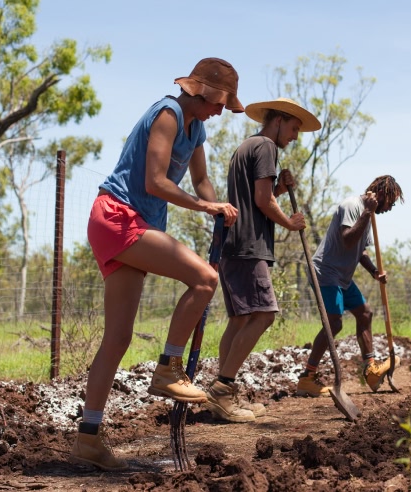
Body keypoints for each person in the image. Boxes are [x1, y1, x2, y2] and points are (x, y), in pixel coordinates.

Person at [71, 58, 243, 470]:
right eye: (219, 102)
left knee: (117, 339)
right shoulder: (167, 114)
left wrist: (216, 204)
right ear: (201, 91)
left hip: (129, 222)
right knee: (205, 278)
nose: (220, 111)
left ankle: (87, 438)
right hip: (117, 217)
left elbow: (200, 180)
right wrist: (204, 206)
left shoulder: (196, 126)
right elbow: (155, 182)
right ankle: (168, 368)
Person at [204, 98, 321, 423]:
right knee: (265, 314)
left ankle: (223, 394)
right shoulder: (267, 147)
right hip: (248, 244)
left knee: (240, 319)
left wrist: (279, 188)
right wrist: (289, 222)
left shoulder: (248, 146)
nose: (295, 136)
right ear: (279, 120)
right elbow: (261, 199)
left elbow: (259, 197)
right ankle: (222, 390)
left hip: (231, 242)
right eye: (295, 128)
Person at [296, 175, 404, 398]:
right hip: (325, 271)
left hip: (342, 276)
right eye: (390, 203)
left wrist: (374, 271)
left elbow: (360, 250)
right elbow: (347, 239)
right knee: (333, 324)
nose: (390, 209)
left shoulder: (369, 216)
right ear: (382, 194)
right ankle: (307, 378)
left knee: (365, 313)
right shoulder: (352, 206)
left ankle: (371, 369)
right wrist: (366, 213)